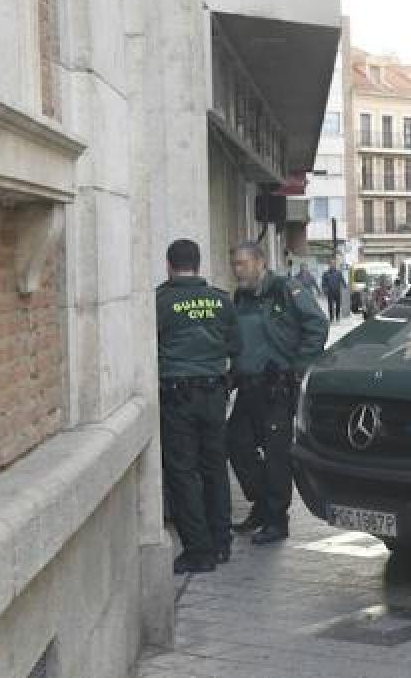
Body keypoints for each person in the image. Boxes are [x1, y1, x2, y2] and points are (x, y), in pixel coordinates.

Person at [228, 241, 329, 544]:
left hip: (277, 388)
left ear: (260, 262)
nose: (237, 270)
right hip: (247, 387)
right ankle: (261, 505)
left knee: (276, 457)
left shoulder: (286, 290)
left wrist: (299, 366)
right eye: (234, 264)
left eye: (242, 263)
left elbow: (317, 324)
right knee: (235, 443)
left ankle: (276, 520)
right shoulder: (241, 297)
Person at [156, 239, 239, 573]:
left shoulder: (161, 301)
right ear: (199, 264)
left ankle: (198, 550)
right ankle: (221, 542)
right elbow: (236, 345)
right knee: (215, 466)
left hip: (178, 395)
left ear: (169, 265)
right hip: (214, 393)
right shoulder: (221, 300)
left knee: (182, 471)